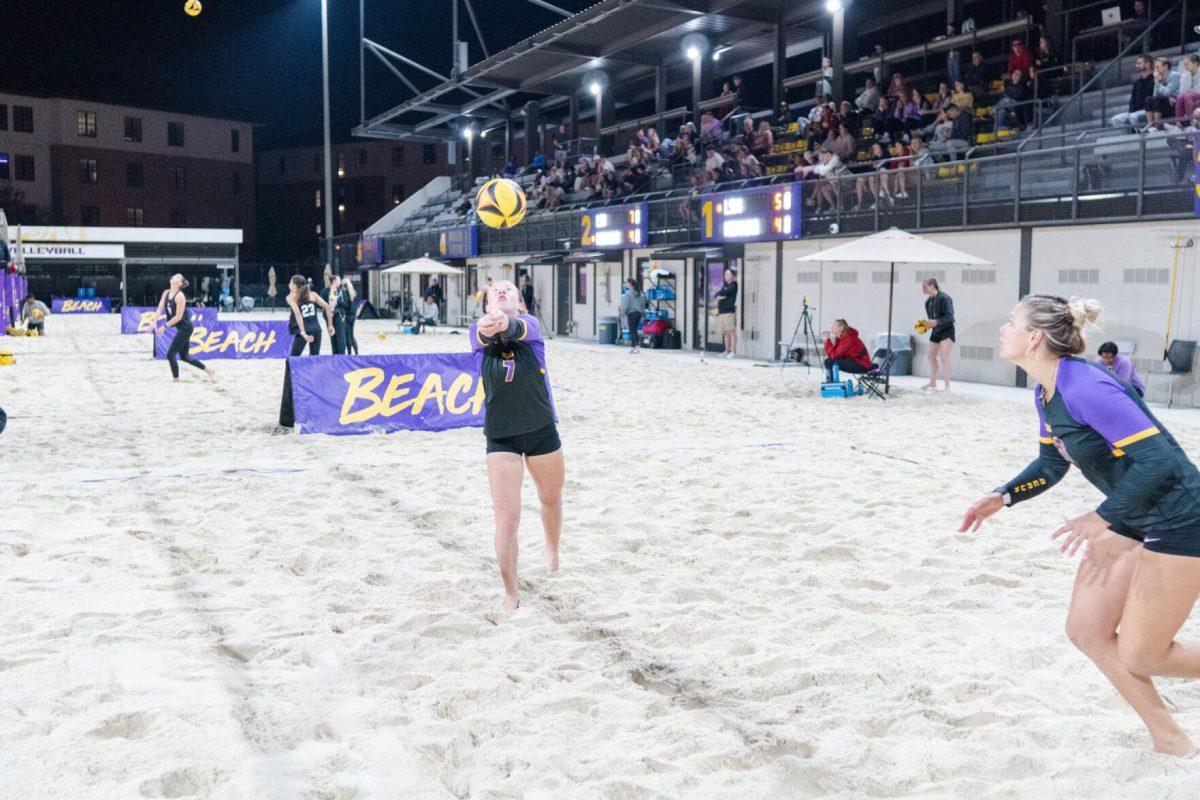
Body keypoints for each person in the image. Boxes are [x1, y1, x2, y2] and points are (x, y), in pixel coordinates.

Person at [959, 294, 1200, 758]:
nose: (1001, 329)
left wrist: (1102, 516)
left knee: (1143, 653)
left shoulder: (1087, 385)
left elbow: (1161, 460)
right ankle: (1170, 737)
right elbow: (1052, 463)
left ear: (1033, 338)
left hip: (1180, 516)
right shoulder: (1046, 390)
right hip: (1135, 512)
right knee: (1087, 629)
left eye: (1010, 322)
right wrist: (1004, 495)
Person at [470, 280, 562, 612]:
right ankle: (511, 592)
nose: (502, 291)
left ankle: (552, 548)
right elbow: (483, 332)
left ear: (520, 302)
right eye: (495, 290)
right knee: (507, 518)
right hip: (502, 435)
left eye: (509, 289)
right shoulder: (476, 335)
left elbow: (514, 327)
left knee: (550, 500)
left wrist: (503, 321)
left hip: (540, 428)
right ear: (485, 304)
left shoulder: (532, 327)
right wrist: (487, 323)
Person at [155, 274, 213, 383]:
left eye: (177, 277)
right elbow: (159, 308)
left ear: (180, 284)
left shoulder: (180, 296)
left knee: (170, 354)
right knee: (184, 356)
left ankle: (176, 380)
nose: (173, 277)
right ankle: (209, 370)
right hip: (181, 328)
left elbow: (178, 317)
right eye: (174, 275)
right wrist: (153, 322)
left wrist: (164, 326)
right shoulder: (166, 293)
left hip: (186, 328)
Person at [286, 274, 334, 357]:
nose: (289, 284)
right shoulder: (313, 295)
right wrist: (330, 325)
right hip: (316, 329)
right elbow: (327, 307)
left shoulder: (291, 297)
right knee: (314, 359)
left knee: (293, 358)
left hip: (304, 329)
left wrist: (303, 333)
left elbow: (298, 314)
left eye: (290, 282)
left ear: (295, 285)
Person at [920, 277, 954, 391]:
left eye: (924, 286)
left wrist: (936, 322)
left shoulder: (945, 298)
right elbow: (931, 321)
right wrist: (926, 325)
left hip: (947, 330)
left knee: (944, 357)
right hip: (936, 331)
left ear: (932, 286)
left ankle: (947, 386)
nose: (922, 288)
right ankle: (932, 382)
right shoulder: (927, 302)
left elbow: (950, 317)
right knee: (930, 356)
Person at [1111, 55, 1154, 130]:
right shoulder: (1137, 83)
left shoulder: (1155, 80)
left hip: (1148, 110)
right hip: (1135, 111)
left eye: (1139, 63)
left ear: (1148, 64)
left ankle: (1139, 139)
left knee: (1133, 116)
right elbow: (1132, 100)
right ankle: (1127, 139)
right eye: (1136, 63)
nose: (1137, 65)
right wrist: (1131, 111)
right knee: (1115, 119)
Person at [619, 277, 647, 353]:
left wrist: (622, 313)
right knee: (635, 330)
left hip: (631, 314)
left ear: (630, 284)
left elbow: (625, 305)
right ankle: (634, 347)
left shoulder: (628, 293)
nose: (626, 284)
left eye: (627, 283)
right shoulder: (640, 293)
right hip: (638, 314)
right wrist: (643, 314)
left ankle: (636, 346)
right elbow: (643, 305)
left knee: (632, 331)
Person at [715, 269, 738, 358]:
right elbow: (717, 294)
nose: (726, 276)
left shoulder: (734, 285)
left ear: (732, 276)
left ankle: (733, 351)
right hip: (722, 312)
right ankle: (726, 350)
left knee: (731, 331)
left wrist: (721, 295)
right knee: (725, 332)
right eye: (725, 274)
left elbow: (724, 293)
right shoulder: (725, 285)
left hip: (729, 312)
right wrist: (720, 296)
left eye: (728, 274)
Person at [341, 276, 359, 355]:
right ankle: (356, 353)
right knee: (352, 335)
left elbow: (346, 305)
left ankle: (349, 354)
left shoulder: (344, 293)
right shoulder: (353, 292)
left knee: (347, 336)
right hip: (353, 316)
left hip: (347, 316)